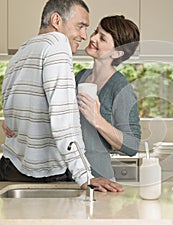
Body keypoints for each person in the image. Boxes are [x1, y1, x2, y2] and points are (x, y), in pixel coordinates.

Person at [0, 0, 123, 192]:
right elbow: (63, 117)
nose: (84, 36)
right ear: (56, 20)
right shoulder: (58, 44)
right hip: (45, 174)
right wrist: (85, 175)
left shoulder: (22, 52)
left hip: (11, 168)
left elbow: (9, 107)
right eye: (80, 26)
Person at [76, 15, 141, 180]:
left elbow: (132, 145)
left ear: (117, 52)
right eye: (96, 31)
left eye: (102, 38)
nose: (93, 38)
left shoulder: (120, 87)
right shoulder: (79, 77)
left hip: (99, 178)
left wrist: (97, 119)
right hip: (71, 176)